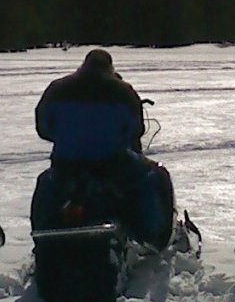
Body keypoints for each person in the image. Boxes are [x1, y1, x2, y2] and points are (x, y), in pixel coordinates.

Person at [32, 48, 174, 248]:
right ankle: (155, 237)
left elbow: (43, 128)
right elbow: (137, 129)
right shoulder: (123, 91)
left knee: (46, 184)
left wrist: (68, 138)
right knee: (156, 176)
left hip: (67, 166)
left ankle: (41, 237)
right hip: (114, 163)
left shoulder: (56, 89)